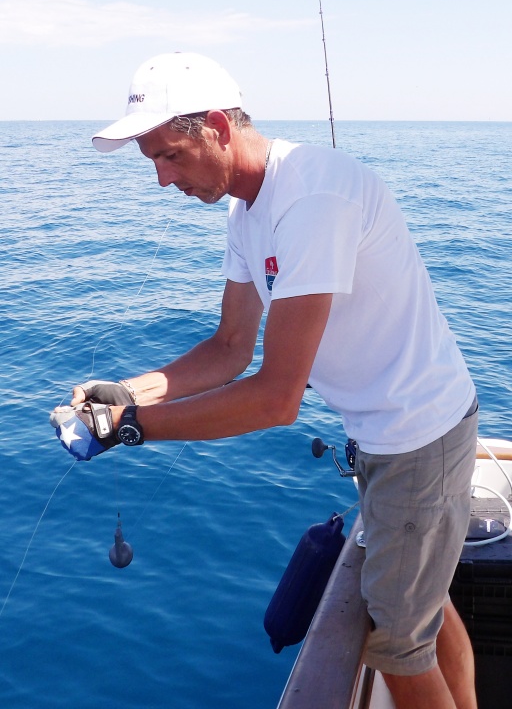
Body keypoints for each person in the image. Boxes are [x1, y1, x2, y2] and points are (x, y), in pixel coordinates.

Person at [60, 52, 478, 708]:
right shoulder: (245, 213)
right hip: (380, 433)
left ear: (219, 128)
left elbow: (278, 398)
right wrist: (126, 393)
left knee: (398, 643)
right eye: (153, 164)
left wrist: (134, 429)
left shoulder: (311, 197)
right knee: (424, 607)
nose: (163, 181)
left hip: (419, 435)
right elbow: (228, 349)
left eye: (169, 156)